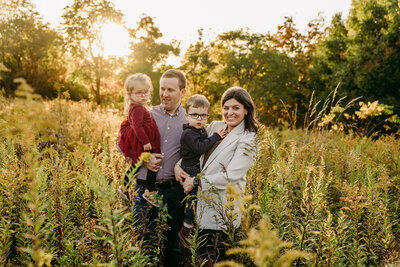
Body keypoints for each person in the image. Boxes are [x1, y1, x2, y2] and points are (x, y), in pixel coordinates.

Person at [175, 86, 258, 265]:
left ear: (246, 110)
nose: (230, 113)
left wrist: (196, 182)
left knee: (219, 259)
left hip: (222, 208)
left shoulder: (248, 139)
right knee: (201, 258)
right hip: (202, 206)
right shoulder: (216, 126)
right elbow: (195, 149)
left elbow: (231, 176)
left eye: (236, 108)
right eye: (226, 108)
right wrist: (178, 166)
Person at [131, 69, 187, 267]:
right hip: (144, 188)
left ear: (183, 92)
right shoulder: (146, 113)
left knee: (171, 247)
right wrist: (143, 159)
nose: (164, 94)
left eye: (170, 89)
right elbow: (122, 145)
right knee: (143, 242)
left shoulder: (190, 121)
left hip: (174, 192)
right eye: (162, 88)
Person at [178, 94, 227, 248]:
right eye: (194, 115)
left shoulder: (199, 129)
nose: (199, 119)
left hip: (195, 167)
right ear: (186, 116)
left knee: (198, 198)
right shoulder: (188, 133)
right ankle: (186, 228)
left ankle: (193, 224)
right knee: (194, 200)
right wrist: (216, 136)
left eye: (203, 115)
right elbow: (200, 148)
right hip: (190, 168)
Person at [117, 73, 161, 205]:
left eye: (145, 92)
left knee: (137, 165)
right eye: (138, 93)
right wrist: (146, 141)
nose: (143, 95)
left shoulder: (137, 106)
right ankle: (150, 191)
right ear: (130, 94)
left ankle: (125, 187)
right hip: (144, 142)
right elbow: (137, 126)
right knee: (153, 163)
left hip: (143, 141)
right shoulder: (137, 108)